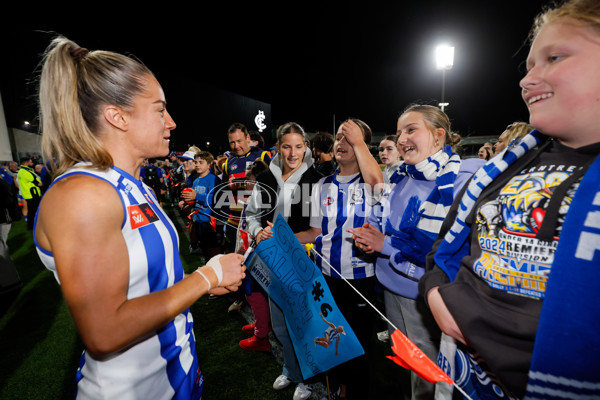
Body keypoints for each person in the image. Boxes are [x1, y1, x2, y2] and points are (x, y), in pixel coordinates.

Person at [33, 36, 246, 400]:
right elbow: (104, 333)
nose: (172, 122)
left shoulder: (130, 184)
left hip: (177, 381)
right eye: (159, 109)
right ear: (117, 116)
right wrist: (206, 277)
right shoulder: (83, 193)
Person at [420, 1, 600, 398]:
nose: (527, 80)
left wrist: (478, 323)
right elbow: (448, 242)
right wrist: (436, 293)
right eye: (529, 66)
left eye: (554, 57)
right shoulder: (507, 168)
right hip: (469, 375)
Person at [348, 104, 484, 400]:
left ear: (438, 135)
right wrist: (370, 233)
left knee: (432, 377)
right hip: (391, 289)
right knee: (408, 367)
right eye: (399, 133)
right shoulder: (401, 176)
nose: (401, 139)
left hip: (428, 296)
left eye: (411, 130)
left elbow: (449, 250)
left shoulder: (464, 179)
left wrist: (385, 245)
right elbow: (384, 216)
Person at [296, 118, 383, 400]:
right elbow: (314, 232)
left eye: (350, 139)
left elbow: (378, 186)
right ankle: (341, 389)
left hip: (359, 280)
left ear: (362, 146)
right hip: (325, 278)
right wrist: (280, 237)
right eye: (338, 138)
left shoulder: (372, 182)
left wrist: (358, 142)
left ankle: (355, 392)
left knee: (357, 344)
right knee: (333, 340)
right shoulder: (322, 185)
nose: (341, 144)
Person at [245, 121, 323, 400]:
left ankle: (307, 376)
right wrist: (258, 233)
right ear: (277, 147)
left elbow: (321, 227)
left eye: (299, 146)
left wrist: (290, 239)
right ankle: (290, 369)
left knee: (303, 321)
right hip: (272, 259)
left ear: (306, 147)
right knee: (279, 322)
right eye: (286, 146)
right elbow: (251, 216)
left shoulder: (317, 179)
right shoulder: (266, 177)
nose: (293, 153)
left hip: (305, 260)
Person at [222, 123, 271, 313]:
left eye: (239, 141)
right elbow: (223, 194)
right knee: (236, 261)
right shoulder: (228, 162)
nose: (236, 146)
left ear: (247, 138)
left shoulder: (263, 156)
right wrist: (230, 187)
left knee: (259, 266)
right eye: (232, 142)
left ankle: (263, 307)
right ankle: (240, 298)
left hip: (257, 220)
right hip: (235, 218)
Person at [180, 151, 222, 258]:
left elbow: (214, 199)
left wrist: (196, 196)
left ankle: (216, 271)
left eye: (201, 162)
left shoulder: (213, 179)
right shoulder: (196, 181)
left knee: (213, 249)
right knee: (203, 247)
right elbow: (194, 199)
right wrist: (189, 205)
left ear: (209, 164)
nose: (197, 164)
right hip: (198, 219)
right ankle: (207, 267)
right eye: (196, 162)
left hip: (209, 221)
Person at [17, 156, 42, 230]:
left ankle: (31, 225)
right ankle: (31, 225)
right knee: (33, 210)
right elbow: (34, 179)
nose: (32, 162)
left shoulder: (23, 170)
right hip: (31, 194)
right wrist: (39, 183)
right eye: (30, 161)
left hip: (30, 194)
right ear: (26, 162)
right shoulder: (24, 171)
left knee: (32, 210)